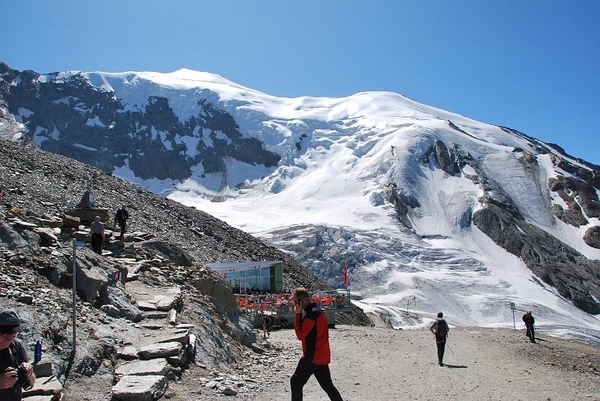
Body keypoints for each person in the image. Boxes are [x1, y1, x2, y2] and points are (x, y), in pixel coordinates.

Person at [290, 287, 343, 401]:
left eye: (295, 301)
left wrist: (298, 315)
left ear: (302, 301)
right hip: (321, 354)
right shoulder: (316, 311)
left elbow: (300, 335)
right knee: (328, 386)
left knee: (295, 382)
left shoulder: (312, 314)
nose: (294, 304)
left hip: (312, 355)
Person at [0, 309, 35, 400]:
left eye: (13, 335)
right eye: (5, 335)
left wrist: (29, 373)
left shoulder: (16, 346)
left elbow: (31, 382)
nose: (9, 340)